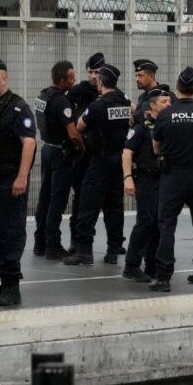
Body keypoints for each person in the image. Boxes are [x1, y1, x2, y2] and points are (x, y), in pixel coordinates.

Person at [150, 68, 193, 292]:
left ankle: (163, 278)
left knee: (167, 225)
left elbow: (156, 148)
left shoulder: (166, 115)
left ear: (177, 88)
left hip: (173, 176)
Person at [0, 57, 36, 307]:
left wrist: (22, 176)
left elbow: (29, 142)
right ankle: (4, 281)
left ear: (5, 79)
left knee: (10, 232)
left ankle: (12, 286)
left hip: (10, 179)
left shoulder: (18, 107)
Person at [64, 63, 131, 265]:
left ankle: (84, 251)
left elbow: (80, 126)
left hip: (100, 159)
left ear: (101, 81)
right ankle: (112, 250)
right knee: (114, 207)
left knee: (88, 203)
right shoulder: (125, 103)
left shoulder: (98, 105)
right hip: (119, 161)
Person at [33, 61, 85, 260]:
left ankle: (40, 242)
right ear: (62, 80)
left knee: (44, 198)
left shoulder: (43, 95)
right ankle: (53, 244)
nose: (75, 80)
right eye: (72, 78)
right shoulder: (61, 101)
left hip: (47, 149)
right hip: (61, 154)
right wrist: (81, 146)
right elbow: (72, 133)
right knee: (58, 200)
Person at [122, 87, 171, 283]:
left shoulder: (168, 125)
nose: (168, 105)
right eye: (164, 102)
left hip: (164, 179)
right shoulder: (141, 127)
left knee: (160, 223)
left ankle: (152, 265)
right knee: (145, 222)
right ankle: (131, 265)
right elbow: (127, 152)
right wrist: (128, 178)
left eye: (169, 102)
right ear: (152, 106)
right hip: (146, 179)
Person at [64, 52, 105, 252]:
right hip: (82, 152)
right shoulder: (77, 92)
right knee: (80, 196)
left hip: (102, 152)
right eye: (90, 72)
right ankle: (77, 240)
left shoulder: (110, 93)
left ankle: (113, 245)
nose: (93, 76)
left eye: (97, 72)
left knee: (107, 199)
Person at [131, 58, 162, 125]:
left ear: (151, 76)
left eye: (140, 75)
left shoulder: (163, 95)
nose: (137, 79)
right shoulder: (142, 97)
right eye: (136, 76)